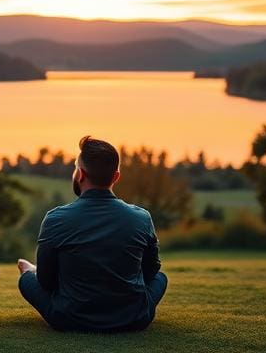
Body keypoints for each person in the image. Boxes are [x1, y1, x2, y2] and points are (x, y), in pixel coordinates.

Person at [17, 135, 168, 332]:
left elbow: (46, 282)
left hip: (69, 318)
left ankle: (30, 270)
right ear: (116, 177)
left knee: (26, 279)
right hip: (134, 318)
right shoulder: (142, 218)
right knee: (161, 278)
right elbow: (151, 271)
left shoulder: (55, 218)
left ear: (80, 174)